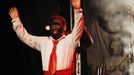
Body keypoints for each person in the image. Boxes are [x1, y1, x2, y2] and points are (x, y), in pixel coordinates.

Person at [8, 0, 85, 75]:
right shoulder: (44, 42)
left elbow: (78, 27)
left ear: (64, 27)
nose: (54, 26)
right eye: (52, 25)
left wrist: (77, 10)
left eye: (57, 24)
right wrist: (16, 20)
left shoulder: (70, 40)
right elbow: (25, 37)